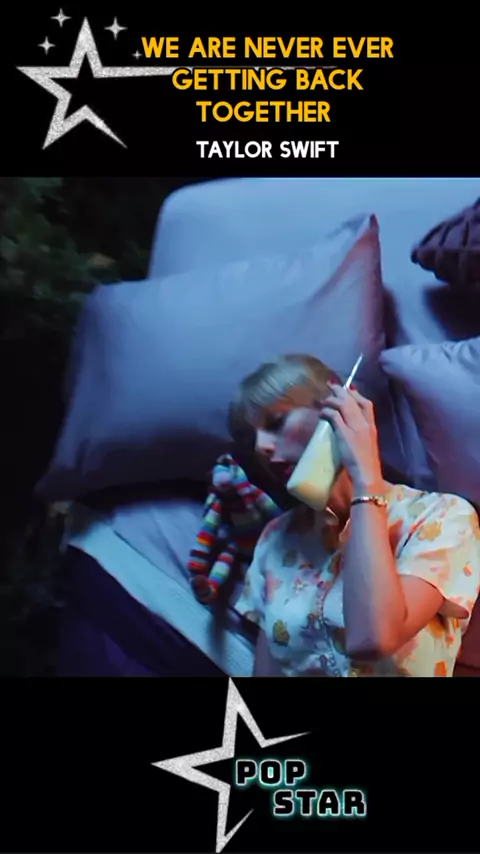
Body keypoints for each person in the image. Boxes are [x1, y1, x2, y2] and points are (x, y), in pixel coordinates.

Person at [230, 354, 480, 677]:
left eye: (276, 423)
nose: (261, 447)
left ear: (338, 401)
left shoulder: (441, 517)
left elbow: (373, 638)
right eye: (251, 439)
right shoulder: (274, 540)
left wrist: (365, 477)